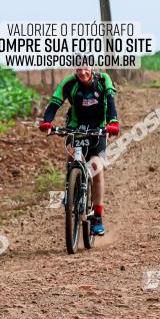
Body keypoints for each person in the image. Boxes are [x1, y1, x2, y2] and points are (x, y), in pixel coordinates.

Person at [39, 67, 120, 235]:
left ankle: (97, 217)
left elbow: (110, 102)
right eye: (78, 69)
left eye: (86, 68)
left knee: (97, 168)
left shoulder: (103, 80)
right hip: (76, 127)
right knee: (71, 155)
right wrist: (47, 121)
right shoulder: (70, 83)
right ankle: (71, 188)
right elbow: (55, 103)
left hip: (98, 128)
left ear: (92, 68)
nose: (82, 73)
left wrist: (113, 122)